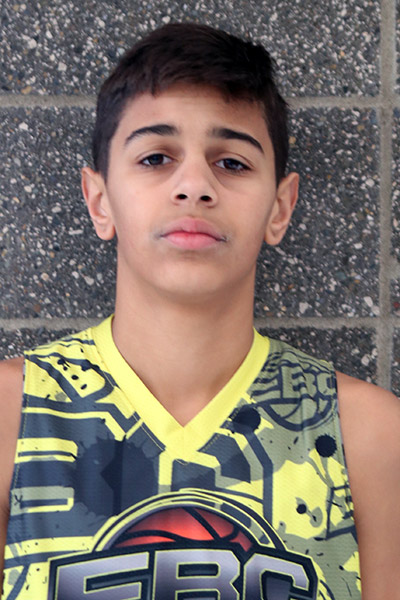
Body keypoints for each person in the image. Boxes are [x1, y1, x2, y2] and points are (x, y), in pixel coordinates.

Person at [0, 22, 399, 600]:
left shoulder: (369, 435)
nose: (194, 186)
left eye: (231, 163)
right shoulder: (12, 416)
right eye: (156, 157)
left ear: (280, 208)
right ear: (100, 200)